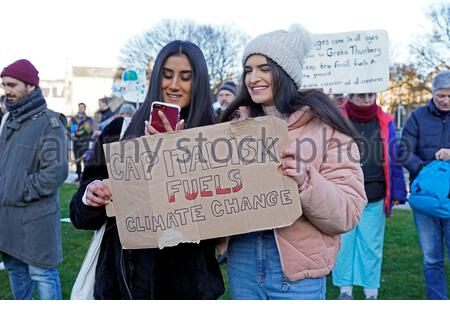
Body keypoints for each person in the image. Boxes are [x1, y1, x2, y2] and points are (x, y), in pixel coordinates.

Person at [220, 25, 367, 300]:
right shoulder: (232, 127)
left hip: (297, 275)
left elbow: (348, 213)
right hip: (243, 265)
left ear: (285, 72)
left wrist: (305, 181)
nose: (253, 77)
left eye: (264, 68)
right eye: (248, 70)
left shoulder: (326, 127)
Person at [69, 40, 224, 299]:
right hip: (123, 283)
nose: (174, 85)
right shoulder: (117, 132)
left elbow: (220, 224)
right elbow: (78, 214)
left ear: (198, 83)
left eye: (185, 77)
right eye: (167, 75)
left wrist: (177, 155)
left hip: (185, 289)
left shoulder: (217, 139)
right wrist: (91, 196)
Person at [0, 59, 68, 299]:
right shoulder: (8, 120)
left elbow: (56, 172)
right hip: (8, 219)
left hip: (36, 219)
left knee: (43, 275)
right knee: (15, 272)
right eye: (4, 84)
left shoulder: (51, 122)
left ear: (30, 86)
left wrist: (19, 190)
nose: (6, 90)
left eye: (12, 84)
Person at [332, 92, 407, 300]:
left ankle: (370, 292)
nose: (367, 100)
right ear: (351, 96)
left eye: (371, 95)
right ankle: (345, 290)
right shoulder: (337, 118)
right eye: (362, 96)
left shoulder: (385, 120)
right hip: (344, 194)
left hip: (375, 194)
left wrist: (398, 191)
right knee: (344, 244)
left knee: (371, 246)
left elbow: (394, 157)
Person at [398, 69, 450, 299]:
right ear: (433, 93)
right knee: (432, 258)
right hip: (425, 200)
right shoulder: (418, 117)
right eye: (441, 95)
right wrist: (424, 172)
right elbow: (403, 151)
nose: (446, 100)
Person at [68, 102, 94, 182]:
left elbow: (89, 131)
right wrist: (71, 135)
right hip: (76, 142)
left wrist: (78, 129)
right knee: (77, 160)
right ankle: (79, 176)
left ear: (85, 108)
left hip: (84, 142)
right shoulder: (73, 118)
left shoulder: (88, 119)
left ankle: (86, 176)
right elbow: (69, 128)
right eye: (79, 107)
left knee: (85, 160)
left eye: (82, 107)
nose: (80, 109)